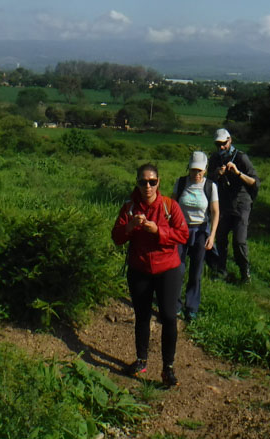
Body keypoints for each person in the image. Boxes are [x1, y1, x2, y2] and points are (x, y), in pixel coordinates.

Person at [111, 163, 189, 387]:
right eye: (143, 182)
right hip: (139, 269)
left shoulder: (169, 206)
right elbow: (116, 237)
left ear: (159, 182)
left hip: (168, 269)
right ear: (137, 182)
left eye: (152, 182)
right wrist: (130, 227)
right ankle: (141, 360)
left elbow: (183, 235)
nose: (147, 186)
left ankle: (168, 368)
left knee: (168, 317)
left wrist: (158, 231)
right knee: (142, 316)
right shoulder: (129, 208)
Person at [206, 128, 259, 284]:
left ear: (230, 141)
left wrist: (237, 173)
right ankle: (222, 270)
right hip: (223, 203)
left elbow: (255, 182)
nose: (221, 147)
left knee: (239, 240)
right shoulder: (215, 158)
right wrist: (217, 174)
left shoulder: (242, 158)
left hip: (241, 203)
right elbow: (209, 181)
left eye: (223, 143)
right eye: (218, 144)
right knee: (221, 238)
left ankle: (245, 273)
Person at [174, 151, 220, 322]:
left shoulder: (210, 187)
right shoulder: (180, 183)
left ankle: (191, 307)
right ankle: (175, 305)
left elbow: (215, 212)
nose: (196, 174)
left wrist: (212, 235)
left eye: (200, 170)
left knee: (196, 270)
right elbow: (172, 206)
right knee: (177, 269)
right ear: (189, 168)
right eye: (193, 170)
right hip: (180, 230)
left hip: (200, 231)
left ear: (206, 170)